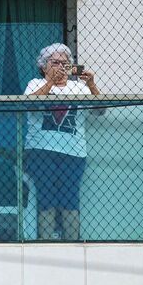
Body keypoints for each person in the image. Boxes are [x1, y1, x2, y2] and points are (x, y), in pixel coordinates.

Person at [23, 43, 100, 240]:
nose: (60, 67)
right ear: (43, 66)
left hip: (74, 153)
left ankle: (72, 243)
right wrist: (50, 84)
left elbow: (100, 110)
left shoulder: (79, 87)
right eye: (55, 62)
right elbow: (28, 104)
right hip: (40, 150)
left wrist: (91, 84)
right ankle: (46, 241)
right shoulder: (34, 83)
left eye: (65, 63)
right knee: (46, 196)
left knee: (70, 198)